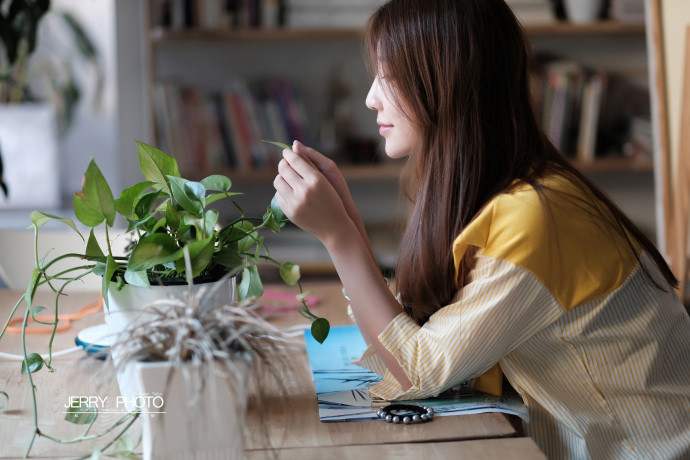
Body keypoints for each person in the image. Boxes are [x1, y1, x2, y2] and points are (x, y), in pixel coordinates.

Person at [272, 0, 690, 457]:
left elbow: (416, 370)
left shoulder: (536, 215)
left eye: (388, 76)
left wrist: (340, 239)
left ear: (446, 84)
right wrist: (346, 219)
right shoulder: (512, 191)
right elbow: (422, 330)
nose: (371, 97)